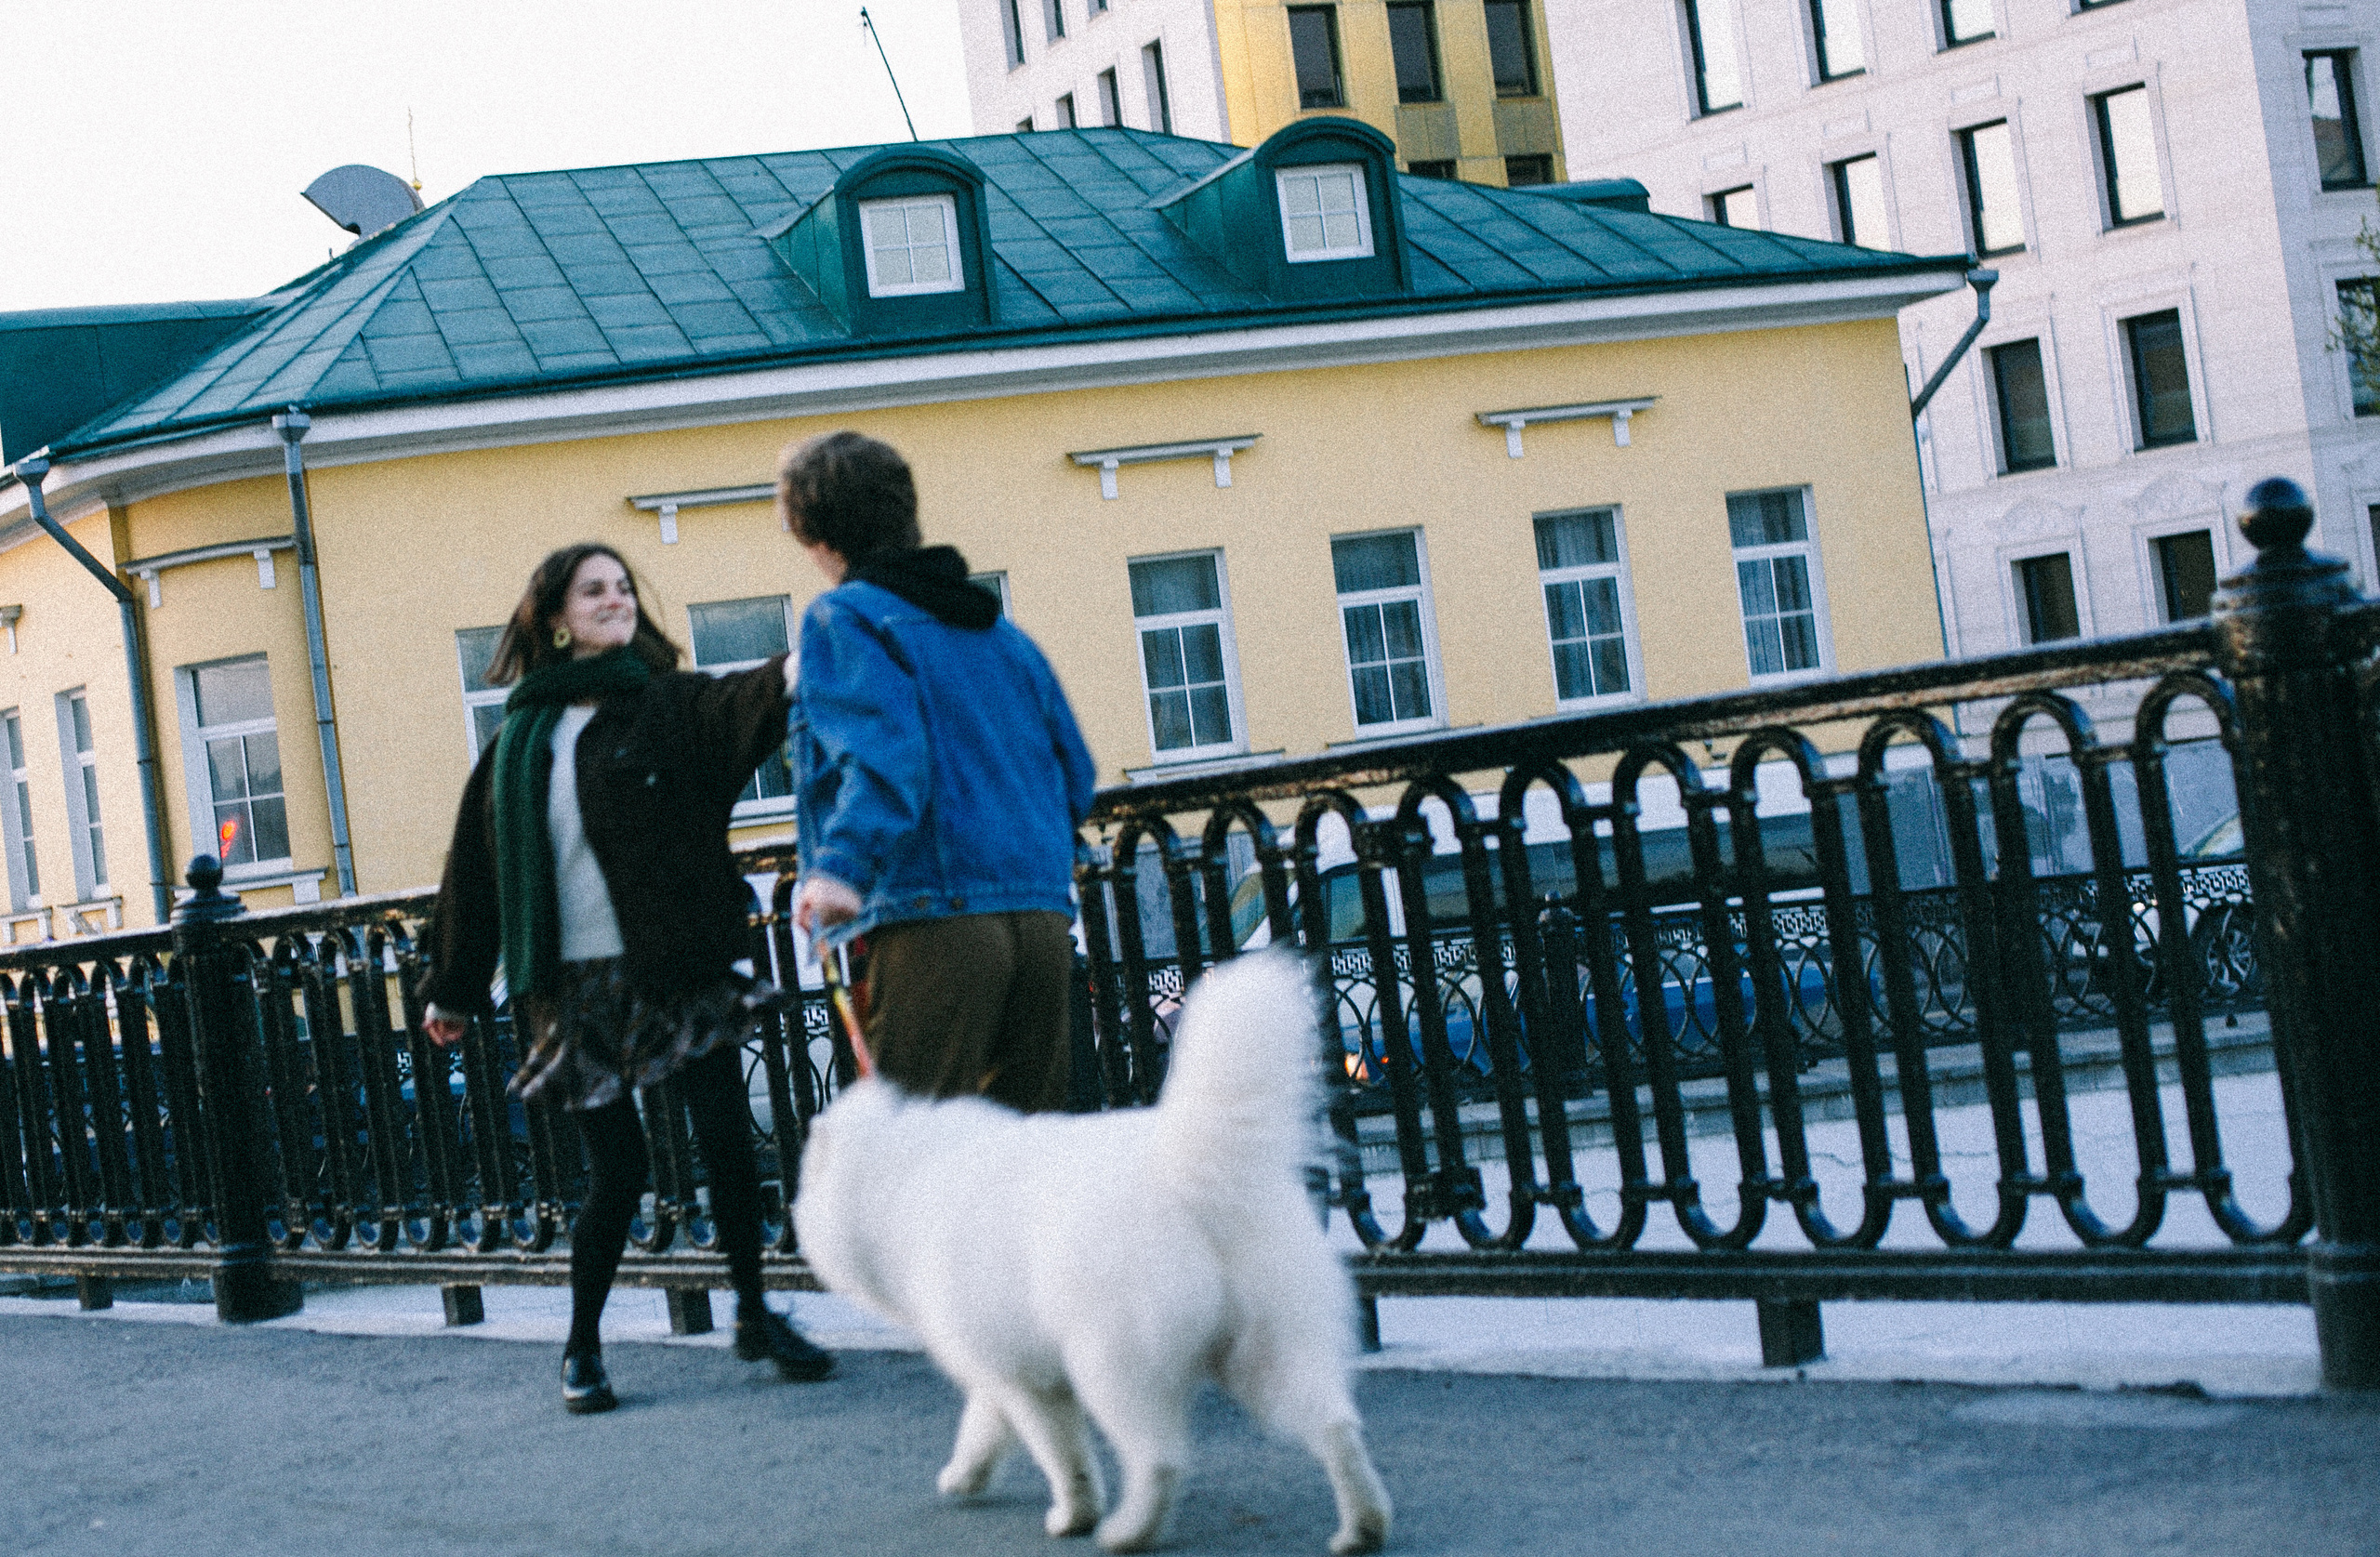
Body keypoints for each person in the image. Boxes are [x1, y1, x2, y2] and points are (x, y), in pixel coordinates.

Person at [418, 542, 833, 1415]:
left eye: (622, 588)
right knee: (617, 1168)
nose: (613, 600)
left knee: (724, 1136)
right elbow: (475, 874)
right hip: (569, 987)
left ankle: (755, 1313)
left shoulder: (670, 705)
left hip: (677, 960)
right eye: (592, 590)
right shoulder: (517, 744)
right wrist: (453, 988)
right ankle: (583, 1348)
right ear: (557, 620)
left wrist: (809, 654)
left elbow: (745, 701)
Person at [783, 430, 1098, 1113]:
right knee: (1028, 1154)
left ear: (814, 535)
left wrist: (841, 867)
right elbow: (1075, 774)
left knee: (919, 1161)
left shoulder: (845, 619)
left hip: (932, 914)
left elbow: (886, 752)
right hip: (1041, 915)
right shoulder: (1003, 635)